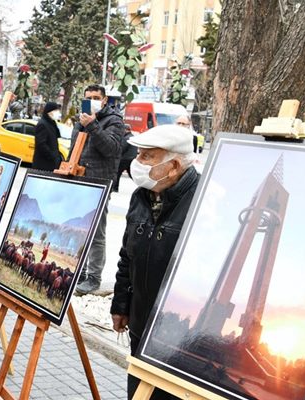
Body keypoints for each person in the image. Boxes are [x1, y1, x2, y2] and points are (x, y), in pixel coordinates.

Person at [109, 125, 200, 399]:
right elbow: (127, 255)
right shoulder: (141, 196)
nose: (137, 164)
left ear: (173, 165)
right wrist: (121, 305)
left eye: (147, 157)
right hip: (140, 322)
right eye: (139, 155)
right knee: (138, 391)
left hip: (180, 336)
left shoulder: (202, 201)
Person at [72, 84, 126, 294]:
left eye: (96, 97)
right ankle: (80, 272)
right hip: (79, 179)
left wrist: (93, 125)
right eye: (88, 97)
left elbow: (111, 148)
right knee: (81, 229)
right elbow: (75, 149)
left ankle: (94, 277)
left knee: (96, 232)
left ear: (104, 100)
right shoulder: (82, 121)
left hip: (99, 182)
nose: (92, 100)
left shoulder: (114, 121)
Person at [32, 101, 63, 171]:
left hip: (51, 164)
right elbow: (41, 144)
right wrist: (52, 156)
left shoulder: (52, 124)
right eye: (56, 110)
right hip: (43, 165)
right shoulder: (42, 124)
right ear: (49, 111)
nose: (58, 113)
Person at [113, 124, 137, 192]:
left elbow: (122, 149)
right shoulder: (133, 137)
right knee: (132, 174)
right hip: (132, 159)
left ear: (126, 130)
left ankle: (115, 188)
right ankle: (142, 186)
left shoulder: (126, 138)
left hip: (124, 159)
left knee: (117, 173)